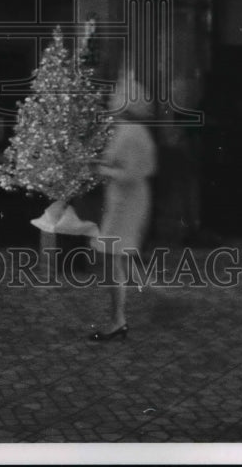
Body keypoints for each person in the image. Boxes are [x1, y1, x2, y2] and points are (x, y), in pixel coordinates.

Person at [86, 75, 157, 341]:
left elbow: (130, 173)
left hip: (126, 201)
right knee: (118, 256)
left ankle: (118, 320)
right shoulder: (134, 130)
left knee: (112, 257)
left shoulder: (129, 132)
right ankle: (120, 314)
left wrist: (101, 168)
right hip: (127, 199)